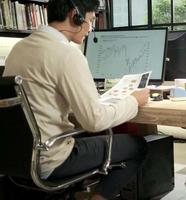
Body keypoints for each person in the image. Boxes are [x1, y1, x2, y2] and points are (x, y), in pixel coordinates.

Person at [4, 0, 150, 200]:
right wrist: (134, 100)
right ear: (76, 15)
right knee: (138, 145)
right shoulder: (67, 53)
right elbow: (94, 121)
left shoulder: (19, 49)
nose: (90, 28)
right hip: (51, 158)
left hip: (17, 158)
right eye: (90, 20)